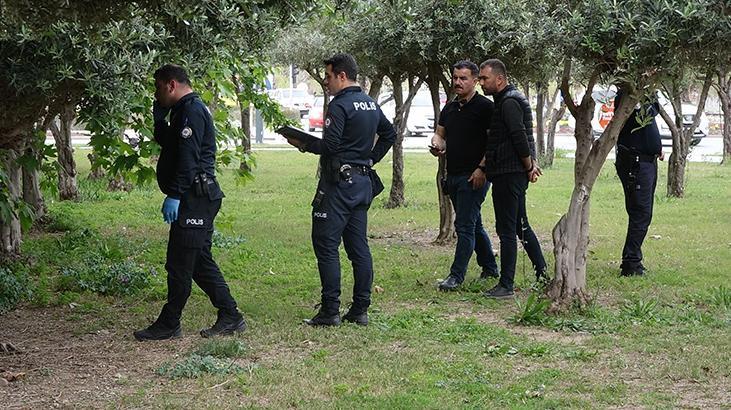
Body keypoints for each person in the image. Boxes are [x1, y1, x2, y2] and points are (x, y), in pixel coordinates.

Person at [134, 64, 246, 341]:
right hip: (195, 196)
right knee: (198, 261)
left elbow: (189, 159)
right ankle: (230, 315)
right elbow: (173, 145)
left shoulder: (192, 110)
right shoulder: (182, 110)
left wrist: (175, 194)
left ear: (171, 85)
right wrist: (159, 122)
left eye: (158, 88)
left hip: (195, 198)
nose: (156, 95)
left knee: (180, 263)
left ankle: (170, 323)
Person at [285, 53, 396, 326]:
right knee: (358, 248)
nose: (326, 82)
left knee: (326, 245)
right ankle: (360, 309)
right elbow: (390, 134)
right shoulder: (370, 103)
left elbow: (331, 146)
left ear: (342, 76)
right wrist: (370, 159)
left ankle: (330, 310)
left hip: (338, 186)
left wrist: (303, 143)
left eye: (328, 76)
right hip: (361, 184)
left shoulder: (339, 105)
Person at [478, 59, 547, 298]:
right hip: (509, 172)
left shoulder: (508, 102)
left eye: (485, 78)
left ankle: (506, 284)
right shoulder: (507, 99)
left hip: (509, 173)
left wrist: (529, 166)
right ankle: (542, 274)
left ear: (499, 79)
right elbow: (525, 135)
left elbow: (520, 137)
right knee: (520, 225)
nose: (481, 83)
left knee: (506, 229)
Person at [430, 60, 499, 291]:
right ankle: (490, 267)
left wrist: (482, 169)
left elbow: (492, 143)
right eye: (455, 78)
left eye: (463, 78)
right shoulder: (449, 108)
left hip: (475, 176)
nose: (458, 82)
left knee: (464, 226)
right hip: (453, 175)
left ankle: (456, 276)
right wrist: (436, 145)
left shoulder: (485, 107)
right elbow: (440, 134)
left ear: (475, 81)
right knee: (473, 223)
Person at [614, 89, 664, 276]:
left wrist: (655, 146)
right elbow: (645, 115)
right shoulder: (629, 95)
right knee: (640, 212)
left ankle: (633, 259)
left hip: (647, 161)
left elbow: (652, 113)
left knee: (642, 213)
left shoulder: (644, 94)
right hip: (635, 163)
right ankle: (631, 264)